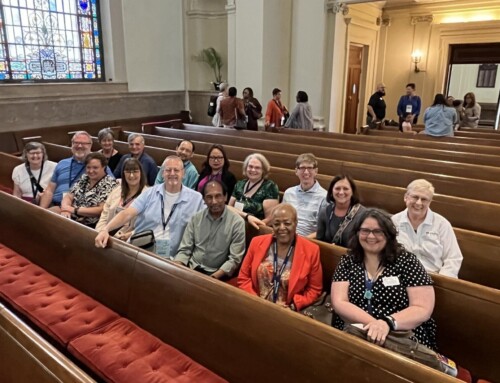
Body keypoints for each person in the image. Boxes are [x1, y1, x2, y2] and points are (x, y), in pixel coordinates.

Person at [331, 208, 437, 350]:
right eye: (365, 231)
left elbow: (422, 308)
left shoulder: (407, 261)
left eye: (378, 231)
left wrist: (387, 323)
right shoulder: (348, 261)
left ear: (388, 234)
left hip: (400, 335)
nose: (371, 236)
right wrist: (376, 325)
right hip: (356, 330)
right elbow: (339, 302)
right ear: (357, 233)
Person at [95, 156, 205, 259]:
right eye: (168, 170)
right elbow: (128, 213)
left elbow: (205, 225)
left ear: (183, 173)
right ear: (162, 173)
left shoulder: (196, 199)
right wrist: (106, 229)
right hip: (140, 248)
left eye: (176, 170)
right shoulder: (150, 192)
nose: (172, 173)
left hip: (170, 256)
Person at [238, 203, 323, 311]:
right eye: (277, 224)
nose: (282, 228)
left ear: (296, 223)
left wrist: (293, 306)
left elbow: (314, 289)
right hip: (255, 305)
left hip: (287, 311)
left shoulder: (311, 250)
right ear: (272, 225)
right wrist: (256, 301)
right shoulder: (257, 242)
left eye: (287, 223)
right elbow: (243, 278)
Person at [174, 180, 245, 280]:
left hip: (216, 274)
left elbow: (234, 259)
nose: (214, 201)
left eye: (218, 196)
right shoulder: (196, 218)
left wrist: (213, 278)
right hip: (191, 268)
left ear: (225, 197)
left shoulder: (237, 223)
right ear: (204, 199)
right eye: (209, 197)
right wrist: (176, 268)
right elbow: (185, 249)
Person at [391, 179, 463, 278]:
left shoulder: (442, 224)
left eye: (424, 199)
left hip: (434, 278)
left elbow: (453, 258)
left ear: (430, 202)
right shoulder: (393, 222)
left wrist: (443, 281)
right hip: (401, 276)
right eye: (415, 197)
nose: (419, 203)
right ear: (406, 197)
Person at [60, 152, 117, 228]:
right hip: (71, 215)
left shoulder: (110, 183)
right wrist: (65, 209)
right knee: (49, 214)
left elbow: (101, 209)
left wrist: (74, 210)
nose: (90, 171)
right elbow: (69, 196)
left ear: (104, 167)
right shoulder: (84, 177)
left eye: (95, 168)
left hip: (90, 224)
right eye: (88, 167)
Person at [96, 158, 148, 241]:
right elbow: (104, 215)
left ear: (141, 173)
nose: (131, 175)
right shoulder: (117, 190)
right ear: (123, 173)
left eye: (135, 171)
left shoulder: (147, 195)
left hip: (128, 241)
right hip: (106, 235)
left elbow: (147, 224)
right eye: (128, 171)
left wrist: (131, 234)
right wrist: (99, 232)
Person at [39, 131, 94, 208]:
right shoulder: (62, 163)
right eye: (76, 142)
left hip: (77, 208)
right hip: (55, 203)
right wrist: (41, 210)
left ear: (90, 146)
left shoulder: (96, 166)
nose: (80, 146)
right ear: (71, 144)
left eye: (84, 143)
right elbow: (49, 190)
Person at [282, 153, 326, 237]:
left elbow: (323, 230)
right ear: (296, 171)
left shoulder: (324, 197)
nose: (306, 172)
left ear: (316, 171)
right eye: (302, 168)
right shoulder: (289, 193)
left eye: (310, 168)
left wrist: (302, 241)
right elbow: (281, 218)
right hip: (286, 236)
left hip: (308, 240)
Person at [229, 153, 279, 225]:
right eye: (250, 166)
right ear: (246, 168)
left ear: (263, 170)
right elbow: (229, 208)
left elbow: (270, 219)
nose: (253, 170)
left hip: (255, 228)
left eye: (257, 167)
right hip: (234, 224)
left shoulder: (270, 187)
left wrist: (252, 227)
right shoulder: (239, 184)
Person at [316, 174, 366, 247]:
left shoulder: (363, 214)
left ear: (352, 192)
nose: (341, 192)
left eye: (346, 189)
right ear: (331, 191)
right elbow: (319, 240)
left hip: (351, 256)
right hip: (328, 255)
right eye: (337, 188)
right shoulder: (325, 211)